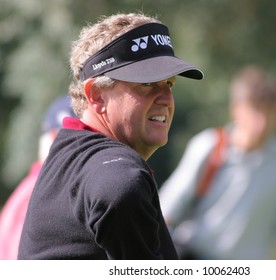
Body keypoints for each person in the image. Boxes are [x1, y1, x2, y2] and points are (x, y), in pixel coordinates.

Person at [18, 12, 203, 260]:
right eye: (147, 83)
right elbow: (120, 188)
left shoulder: (70, 151)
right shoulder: (120, 175)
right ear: (95, 94)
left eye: (169, 84)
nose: (166, 99)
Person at [159, 65, 276, 260]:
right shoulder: (209, 146)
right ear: (236, 110)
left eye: (268, 111)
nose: (261, 121)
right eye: (255, 110)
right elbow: (167, 210)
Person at [0, 95, 76, 259]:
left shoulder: (31, 188)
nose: (63, 147)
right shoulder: (43, 189)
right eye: (57, 137)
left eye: (74, 139)